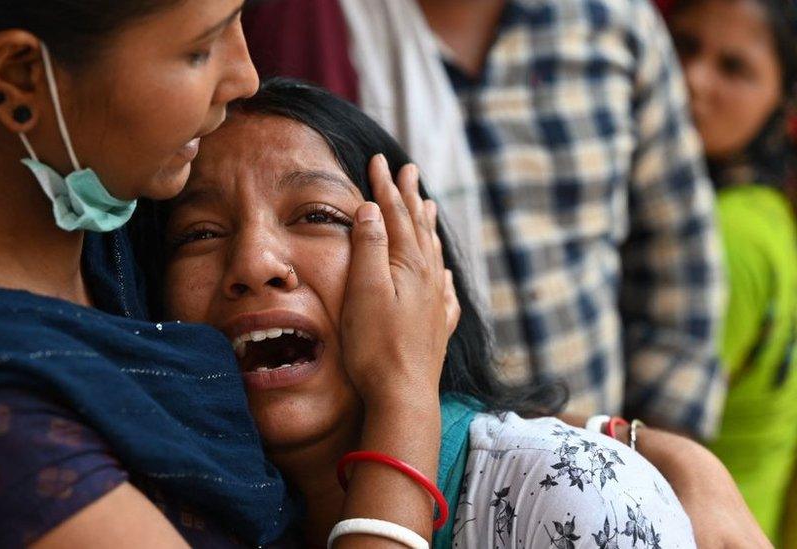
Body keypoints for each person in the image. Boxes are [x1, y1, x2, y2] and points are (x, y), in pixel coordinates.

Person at [0, 2, 460, 546]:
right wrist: (404, 402)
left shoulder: (97, 219)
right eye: (200, 49)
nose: (245, 76)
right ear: (20, 78)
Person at [146, 78, 766, 548]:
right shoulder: (147, 511)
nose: (253, 261)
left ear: (421, 269)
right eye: (199, 233)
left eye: (316, 216)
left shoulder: (564, 497)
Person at [243, 0, 727, 441]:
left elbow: (679, 259)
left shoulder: (613, 22)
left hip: (601, 467)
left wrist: (654, 457)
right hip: (406, 468)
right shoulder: (317, 30)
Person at [664, 0, 797, 544]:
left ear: (782, 101)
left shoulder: (724, 238)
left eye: (734, 68)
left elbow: (657, 431)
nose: (693, 79)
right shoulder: (765, 212)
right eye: (686, 45)